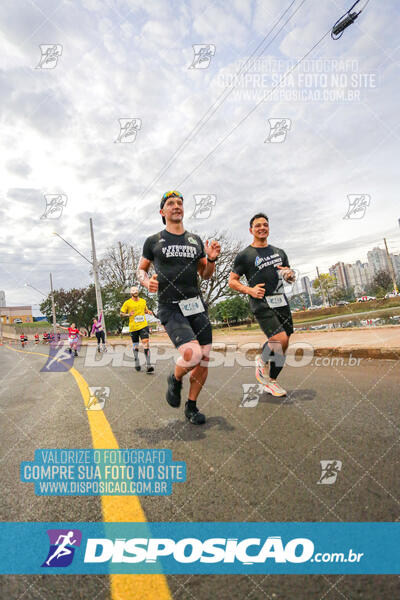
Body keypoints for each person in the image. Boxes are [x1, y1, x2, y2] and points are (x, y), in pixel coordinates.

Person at [138, 190, 221, 424]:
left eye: (180, 203)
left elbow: (205, 274)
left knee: (203, 358)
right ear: (162, 212)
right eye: (171, 203)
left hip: (196, 306)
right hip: (170, 307)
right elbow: (141, 269)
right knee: (192, 354)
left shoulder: (195, 241)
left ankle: (191, 407)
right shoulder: (153, 241)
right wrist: (146, 281)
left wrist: (212, 259)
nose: (176, 206)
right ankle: (175, 379)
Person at [229, 212, 295, 397]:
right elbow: (232, 281)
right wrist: (249, 290)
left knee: (284, 343)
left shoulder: (279, 252)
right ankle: (261, 359)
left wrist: (290, 275)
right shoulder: (245, 255)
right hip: (261, 302)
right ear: (251, 230)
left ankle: (271, 381)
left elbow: (289, 275)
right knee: (279, 339)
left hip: (281, 301)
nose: (262, 228)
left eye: (265, 225)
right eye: (258, 225)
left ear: (269, 228)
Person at [120, 287, 154, 373]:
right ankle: (136, 360)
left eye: (136, 290)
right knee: (136, 346)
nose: (135, 292)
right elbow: (121, 313)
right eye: (133, 291)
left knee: (146, 343)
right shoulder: (127, 303)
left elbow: (145, 310)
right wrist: (128, 314)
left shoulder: (143, 301)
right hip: (133, 328)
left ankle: (148, 365)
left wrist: (148, 311)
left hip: (143, 325)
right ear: (131, 293)